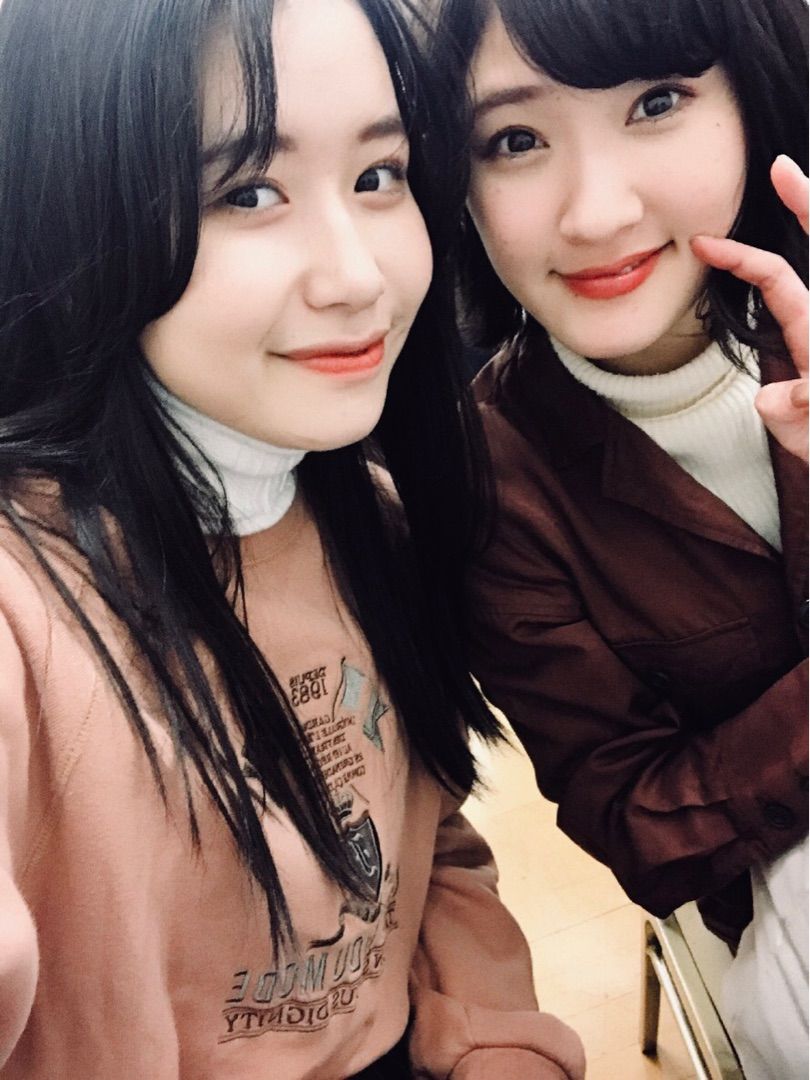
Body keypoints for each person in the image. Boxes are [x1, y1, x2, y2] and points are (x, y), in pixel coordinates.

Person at [0, 0, 589, 1077]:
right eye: (248, 191)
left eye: (378, 175)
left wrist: (496, 1040)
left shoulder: (374, 521)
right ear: (76, 210)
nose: (357, 276)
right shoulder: (27, 604)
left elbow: (421, 844)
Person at [433, 0, 809, 1075]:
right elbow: (638, 824)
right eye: (515, 138)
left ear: (751, 98)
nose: (597, 213)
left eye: (656, 102)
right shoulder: (494, 487)